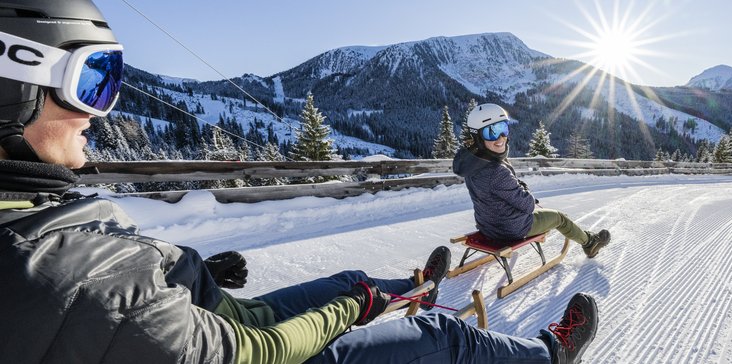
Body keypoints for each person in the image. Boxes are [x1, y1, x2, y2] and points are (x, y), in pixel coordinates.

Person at [0, 1, 598, 363]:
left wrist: (191, 271)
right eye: (92, 80)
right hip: (252, 350)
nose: (97, 112)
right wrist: (348, 311)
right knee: (444, 337)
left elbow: (122, 302)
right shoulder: (55, 270)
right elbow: (252, 353)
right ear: (15, 86)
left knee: (349, 279)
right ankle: (549, 353)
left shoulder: (34, 215)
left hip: (211, 316)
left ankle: (408, 284)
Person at [453, 103, 611, 257]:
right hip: (511, 229)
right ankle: (590, 243)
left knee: (541, 211)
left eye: (503, 128)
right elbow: (528, 205)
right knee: (560, 218)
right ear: (477, 137)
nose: (500, 137)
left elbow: (497, 195)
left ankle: (587, 239)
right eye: (491, 132)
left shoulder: (472, 164)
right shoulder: (496, 171)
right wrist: (525, 191)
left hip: (487, 226)